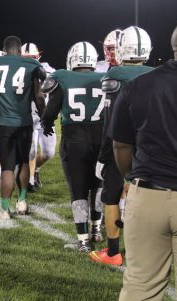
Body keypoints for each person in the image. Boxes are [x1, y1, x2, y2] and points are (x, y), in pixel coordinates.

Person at [110, 17, 177, 301]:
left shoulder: (139, 85)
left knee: (139, 287)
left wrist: (133, 179)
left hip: (145, 196)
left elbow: (121, 145)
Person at [90, 26, 153, 266]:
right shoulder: (160, 73)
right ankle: (147, 253)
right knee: (149, 197)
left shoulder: (115, 74)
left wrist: (103, 155)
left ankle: (114, 252)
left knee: (112, 197)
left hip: (122, 147)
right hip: (152, 148)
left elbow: (111, 122)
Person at [41, 42, 105, 253]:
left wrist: (47, 123)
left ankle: (83, 239)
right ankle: (97, 229)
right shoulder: (104, 77)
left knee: (78, 190)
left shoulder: (63, 76)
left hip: (74, 140)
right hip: (100, 140)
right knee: (97, 186)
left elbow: (51, 110)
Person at [0, 35, 46, 218]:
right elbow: (39, 97)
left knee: (7, 167)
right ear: (20, 50)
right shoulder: (31, 65)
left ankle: (4, 208)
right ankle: (22, 201)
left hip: (2, 123)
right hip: (24, 123)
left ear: (4, 49)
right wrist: (45, 117)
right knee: (24, 162)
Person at [21, 42, 56, 192]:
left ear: (39, 56)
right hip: (29, 117)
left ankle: (35, 171)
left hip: (45, 117)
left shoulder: (50, 71)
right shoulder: (18, 72)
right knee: (31, 151)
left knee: (49, 153)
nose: (31, 61)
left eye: (33, 58)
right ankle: (29, 181)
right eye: (27, 58)